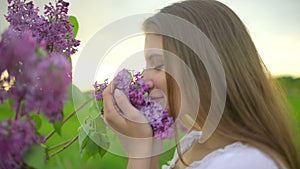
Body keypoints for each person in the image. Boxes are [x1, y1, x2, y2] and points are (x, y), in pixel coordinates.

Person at [102, 0, 300, 168]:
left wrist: (139, 154)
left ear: (203, 68)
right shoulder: (194, 143)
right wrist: (147, 151)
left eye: (158, 65)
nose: (145, 80)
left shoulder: (246, 163)